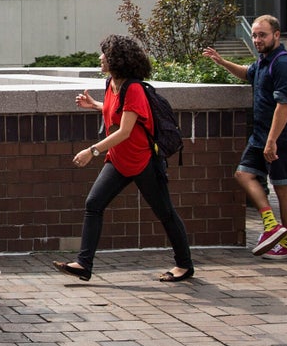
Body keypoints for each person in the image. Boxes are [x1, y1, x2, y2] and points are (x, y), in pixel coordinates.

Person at [53, 34, 194, 282]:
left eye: (104, 54)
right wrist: (95, 105)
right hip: (118, 160)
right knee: (93, 204)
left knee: (165, 212)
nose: (100, 58)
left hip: (143, 162)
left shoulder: (135, 88)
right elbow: (116, 111)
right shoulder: (111, 84)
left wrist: (92, 151)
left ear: (116, 59)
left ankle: (185, 265)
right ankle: (83, 264)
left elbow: (125, 130)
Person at [203, 15, 287, 260]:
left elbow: (284, 105)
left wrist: (272, 141)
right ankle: (271, 226)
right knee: (243, 174)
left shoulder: (283, 63)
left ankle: (286, 243)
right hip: (260, 136)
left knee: (283, 186)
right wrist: (222, 61)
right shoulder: (263, 60)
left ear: (276, 35)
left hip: (282, 137)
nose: (257, 39)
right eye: (255, 35)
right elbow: (248, 74)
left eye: (262, 35)